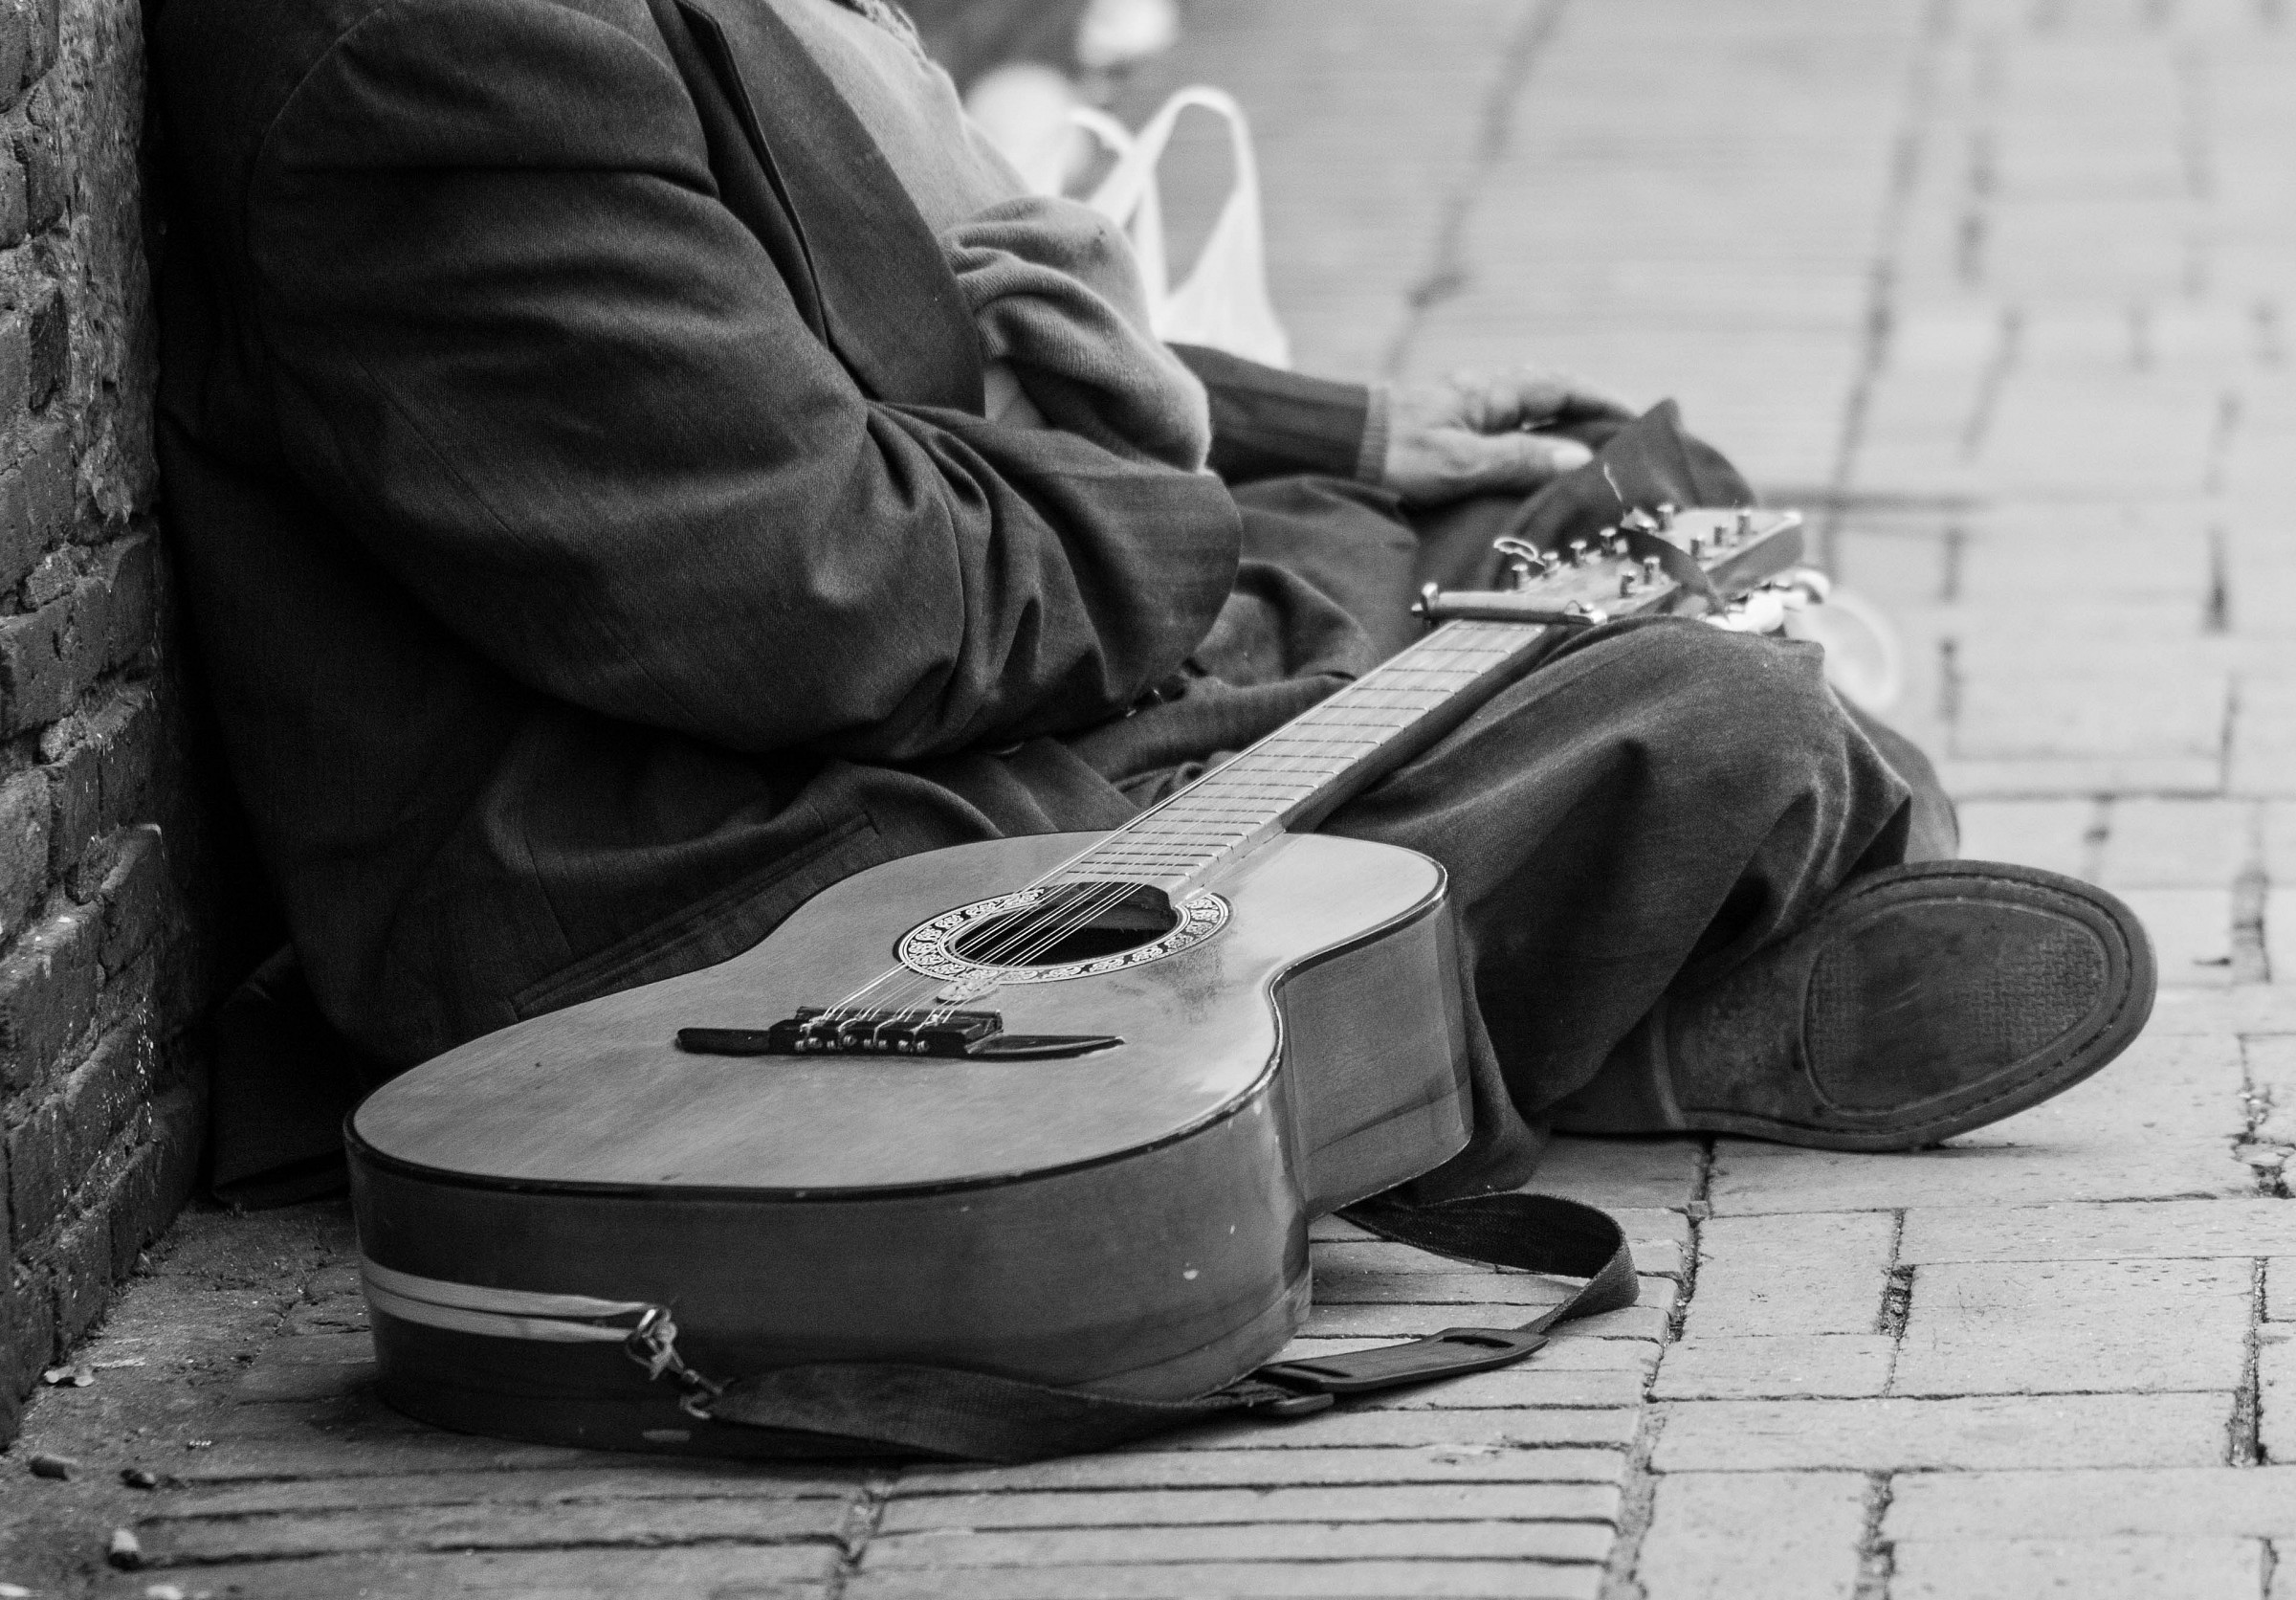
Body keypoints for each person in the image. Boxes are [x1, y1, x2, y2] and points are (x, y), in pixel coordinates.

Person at [152, 0, 2154, 1204]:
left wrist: (1312, 426)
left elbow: (957, 309)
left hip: (957, 697)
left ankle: (1506, 1006)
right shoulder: (430, 50)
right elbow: (835, 598)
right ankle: (1569, 1020)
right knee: (1733, 724)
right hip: (745, 890)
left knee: (1604, 498)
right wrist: (1194, 487)